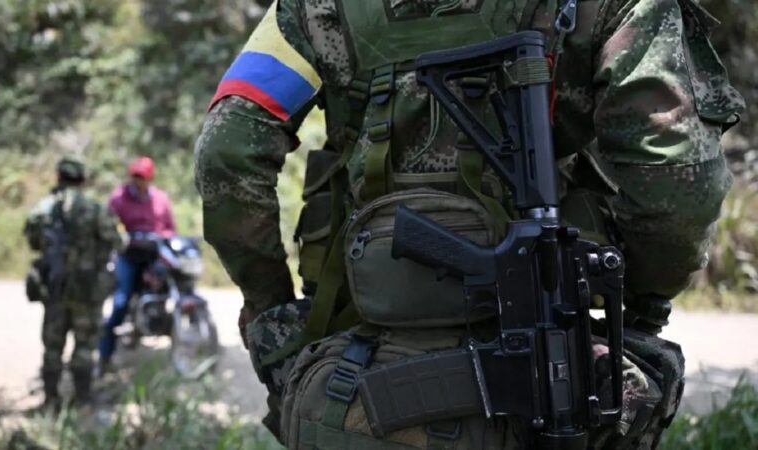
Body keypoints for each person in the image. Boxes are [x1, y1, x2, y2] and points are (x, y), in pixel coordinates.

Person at [194, 0, 744, 448]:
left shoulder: (317, 7)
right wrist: (641, 312)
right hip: (546, 347)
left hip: (361, 354)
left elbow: (228, 151)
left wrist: (272, 320)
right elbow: (677, 183)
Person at [24, 157, 121, 408]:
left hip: (54, 288)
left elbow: (34, 243)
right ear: (82, 180)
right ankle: (83, 400)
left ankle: (50, 401)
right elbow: (118, 241)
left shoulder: (42, 209)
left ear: (58, 178)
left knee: (53, 346)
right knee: (85, 345)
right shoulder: (95, 209)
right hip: (87, 290)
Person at [98, 156, 177, 369]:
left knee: (169, 284)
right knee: (120, 302)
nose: (137, 180)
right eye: (134, 176)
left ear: (150, 178)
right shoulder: (119, 198)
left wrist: (163, 237)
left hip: (154, 256)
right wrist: (127, 238)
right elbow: (108, 226)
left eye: (141, 177)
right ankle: (104, 357)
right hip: (128, 256)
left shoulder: (160, 200)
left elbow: (170, 228)